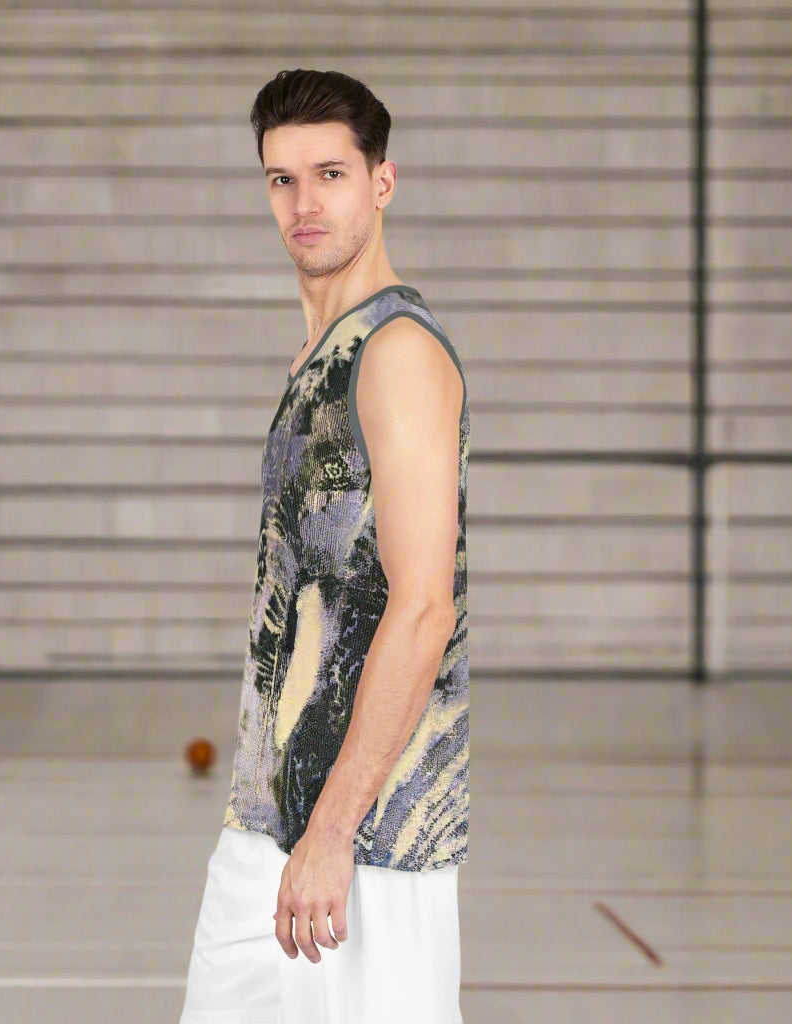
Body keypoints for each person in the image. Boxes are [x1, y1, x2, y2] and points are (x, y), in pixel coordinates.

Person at [178, 67, 470, 1024]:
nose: (304, 204)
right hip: (266, 824)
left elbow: (424, 605)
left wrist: (335, 829)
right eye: (281, 178)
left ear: (382, 182)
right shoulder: (320, 354)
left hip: (369, 845)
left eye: (331, 174)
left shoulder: (398, 355)